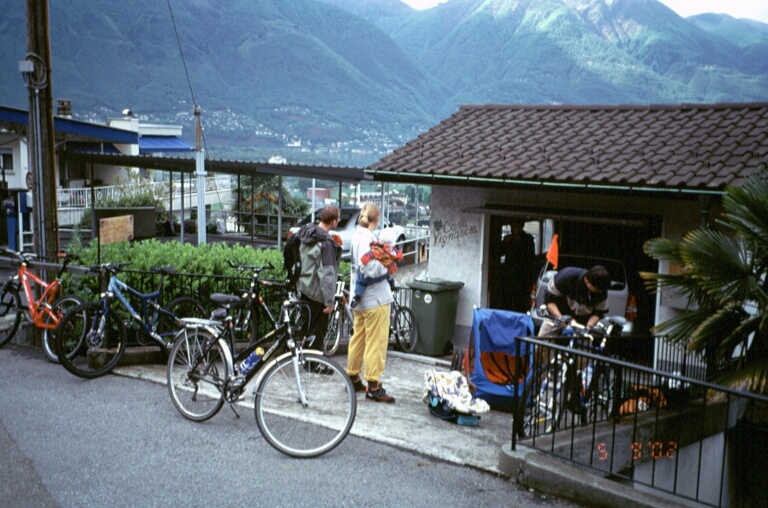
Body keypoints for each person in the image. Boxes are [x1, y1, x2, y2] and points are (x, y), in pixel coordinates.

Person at [346, 203, 396, 403]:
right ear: (377, 220)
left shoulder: (357, 235)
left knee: (359, 337)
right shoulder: (369, 238)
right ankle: (374, 386)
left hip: (359, 299)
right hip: (375, 298)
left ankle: (353, 375)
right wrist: (389, 265)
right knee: (376, 341)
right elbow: (369, 269)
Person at [296, 206, 341, 349]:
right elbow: (327, 274)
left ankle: (304, 359)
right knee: (318, 330)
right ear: (333, 222)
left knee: (306, 327)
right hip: (317, 293)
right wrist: (329, 301)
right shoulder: (326, 243)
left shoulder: (307, 233)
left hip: (304, 287)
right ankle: (315, 363)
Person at [538, 265, 611, 336]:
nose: (600, 292)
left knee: (584, 346)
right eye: (597, 289)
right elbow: (550, 301)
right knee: (542, 343)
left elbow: (598, 313)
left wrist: (587, 328)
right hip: (558, 315)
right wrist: (562, 320)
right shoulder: (565, 277)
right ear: (588, 281)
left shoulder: (602, 290)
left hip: (582, 323)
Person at [350, 227, 403, 309]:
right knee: (389, 276)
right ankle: (392, 284)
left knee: (360, 281)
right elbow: (399, 256)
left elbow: (368, 256)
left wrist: (363, 260)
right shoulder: (393, 251)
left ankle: (357, 297)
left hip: (369, 279)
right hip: (384, 276)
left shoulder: (377, 249)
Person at [500, 220, 535, 313]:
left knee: (522, 302)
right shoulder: (508, 239)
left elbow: (531, 257)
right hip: (510, 275)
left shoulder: (528, 239)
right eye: (512, 226)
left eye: (515, 226)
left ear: (521, 227)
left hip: (523, 275)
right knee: (509, 300)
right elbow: (499, 253)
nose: (513, 229)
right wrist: (504, 243)